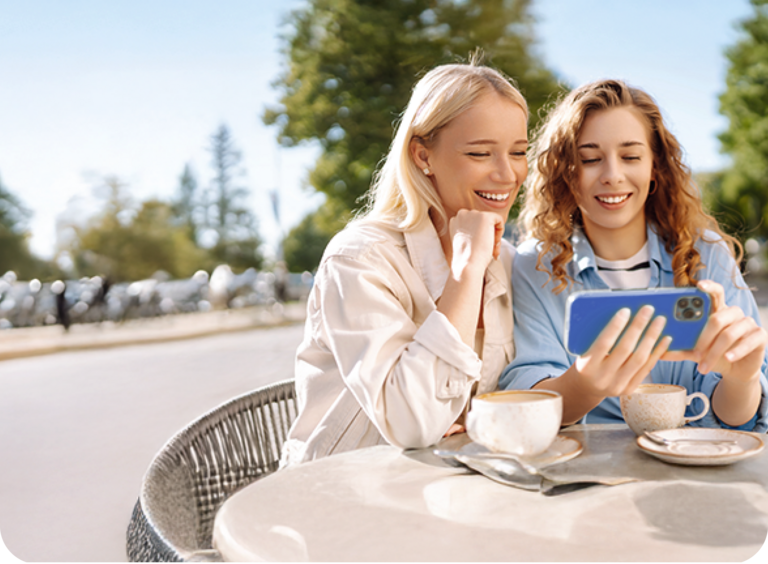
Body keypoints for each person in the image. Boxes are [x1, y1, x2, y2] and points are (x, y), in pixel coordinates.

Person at [281, 59, 529, 466]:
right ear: (422, 155)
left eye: (518, 152)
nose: (507, 174)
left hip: (453, 491)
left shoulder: (508, 262)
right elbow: (414, 423)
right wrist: (465, 272)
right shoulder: (359, 260)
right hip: (341, 498)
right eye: (480, 152)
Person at [500, 79, 768, 431]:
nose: (613, 175)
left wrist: (743, 378)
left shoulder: (707, 254)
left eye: (630, 157)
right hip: (590, 478)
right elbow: (527, 403)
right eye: (590, 159)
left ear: (654, 166)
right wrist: (583, 385)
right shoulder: (534, 265)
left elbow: (739, 419)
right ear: (566, 172)